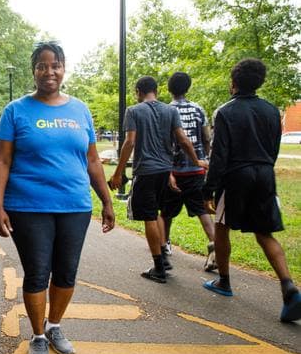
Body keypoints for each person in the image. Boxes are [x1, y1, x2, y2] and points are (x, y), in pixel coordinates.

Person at [0, 42, 115, 354]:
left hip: (74, 205)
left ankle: (54, 325)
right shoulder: (16, 111)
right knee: (37, 272)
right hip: (28, 206)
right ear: (34, 70)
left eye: (56, 65)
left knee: (66, 272)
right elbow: (2, 161)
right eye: (43, 66)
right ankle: (37, 336)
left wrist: (106, 200)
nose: (50, 72)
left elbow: (91, 159)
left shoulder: (80, 110)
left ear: (64, 69)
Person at [202, 58, 301, 322]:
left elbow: (219, 155)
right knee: (264, 232)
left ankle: (224, 281)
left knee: (222, 226)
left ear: (233, 83)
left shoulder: (224, 112)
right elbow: (274, 149)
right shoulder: (271, 111)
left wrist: (209, 189)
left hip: (236, 176)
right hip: (265, 173)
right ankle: (288, 286)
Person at [109, 76, 207, 284]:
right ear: (156, 90)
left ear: (138, 91)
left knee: (150, 217)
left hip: (145, 172)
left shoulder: (133, 111)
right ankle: (162, 256)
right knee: (160, 214)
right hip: (166, 171)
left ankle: (159, 266)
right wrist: (197, 160)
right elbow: (183, 139)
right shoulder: (170, 111)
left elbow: (130, 142)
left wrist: (118, 172)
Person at [160, 72, 216, 271]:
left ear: (169, 89)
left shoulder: (165, 110)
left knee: (166, 212)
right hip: (196, 169)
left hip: (173, 169)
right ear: (188, 88)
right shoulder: (198, 109)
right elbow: (207, 137)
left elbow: (164, 143)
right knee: (202, 209)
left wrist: (168, 171)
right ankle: (214, 244)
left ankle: (164, 244)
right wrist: (204, 160)